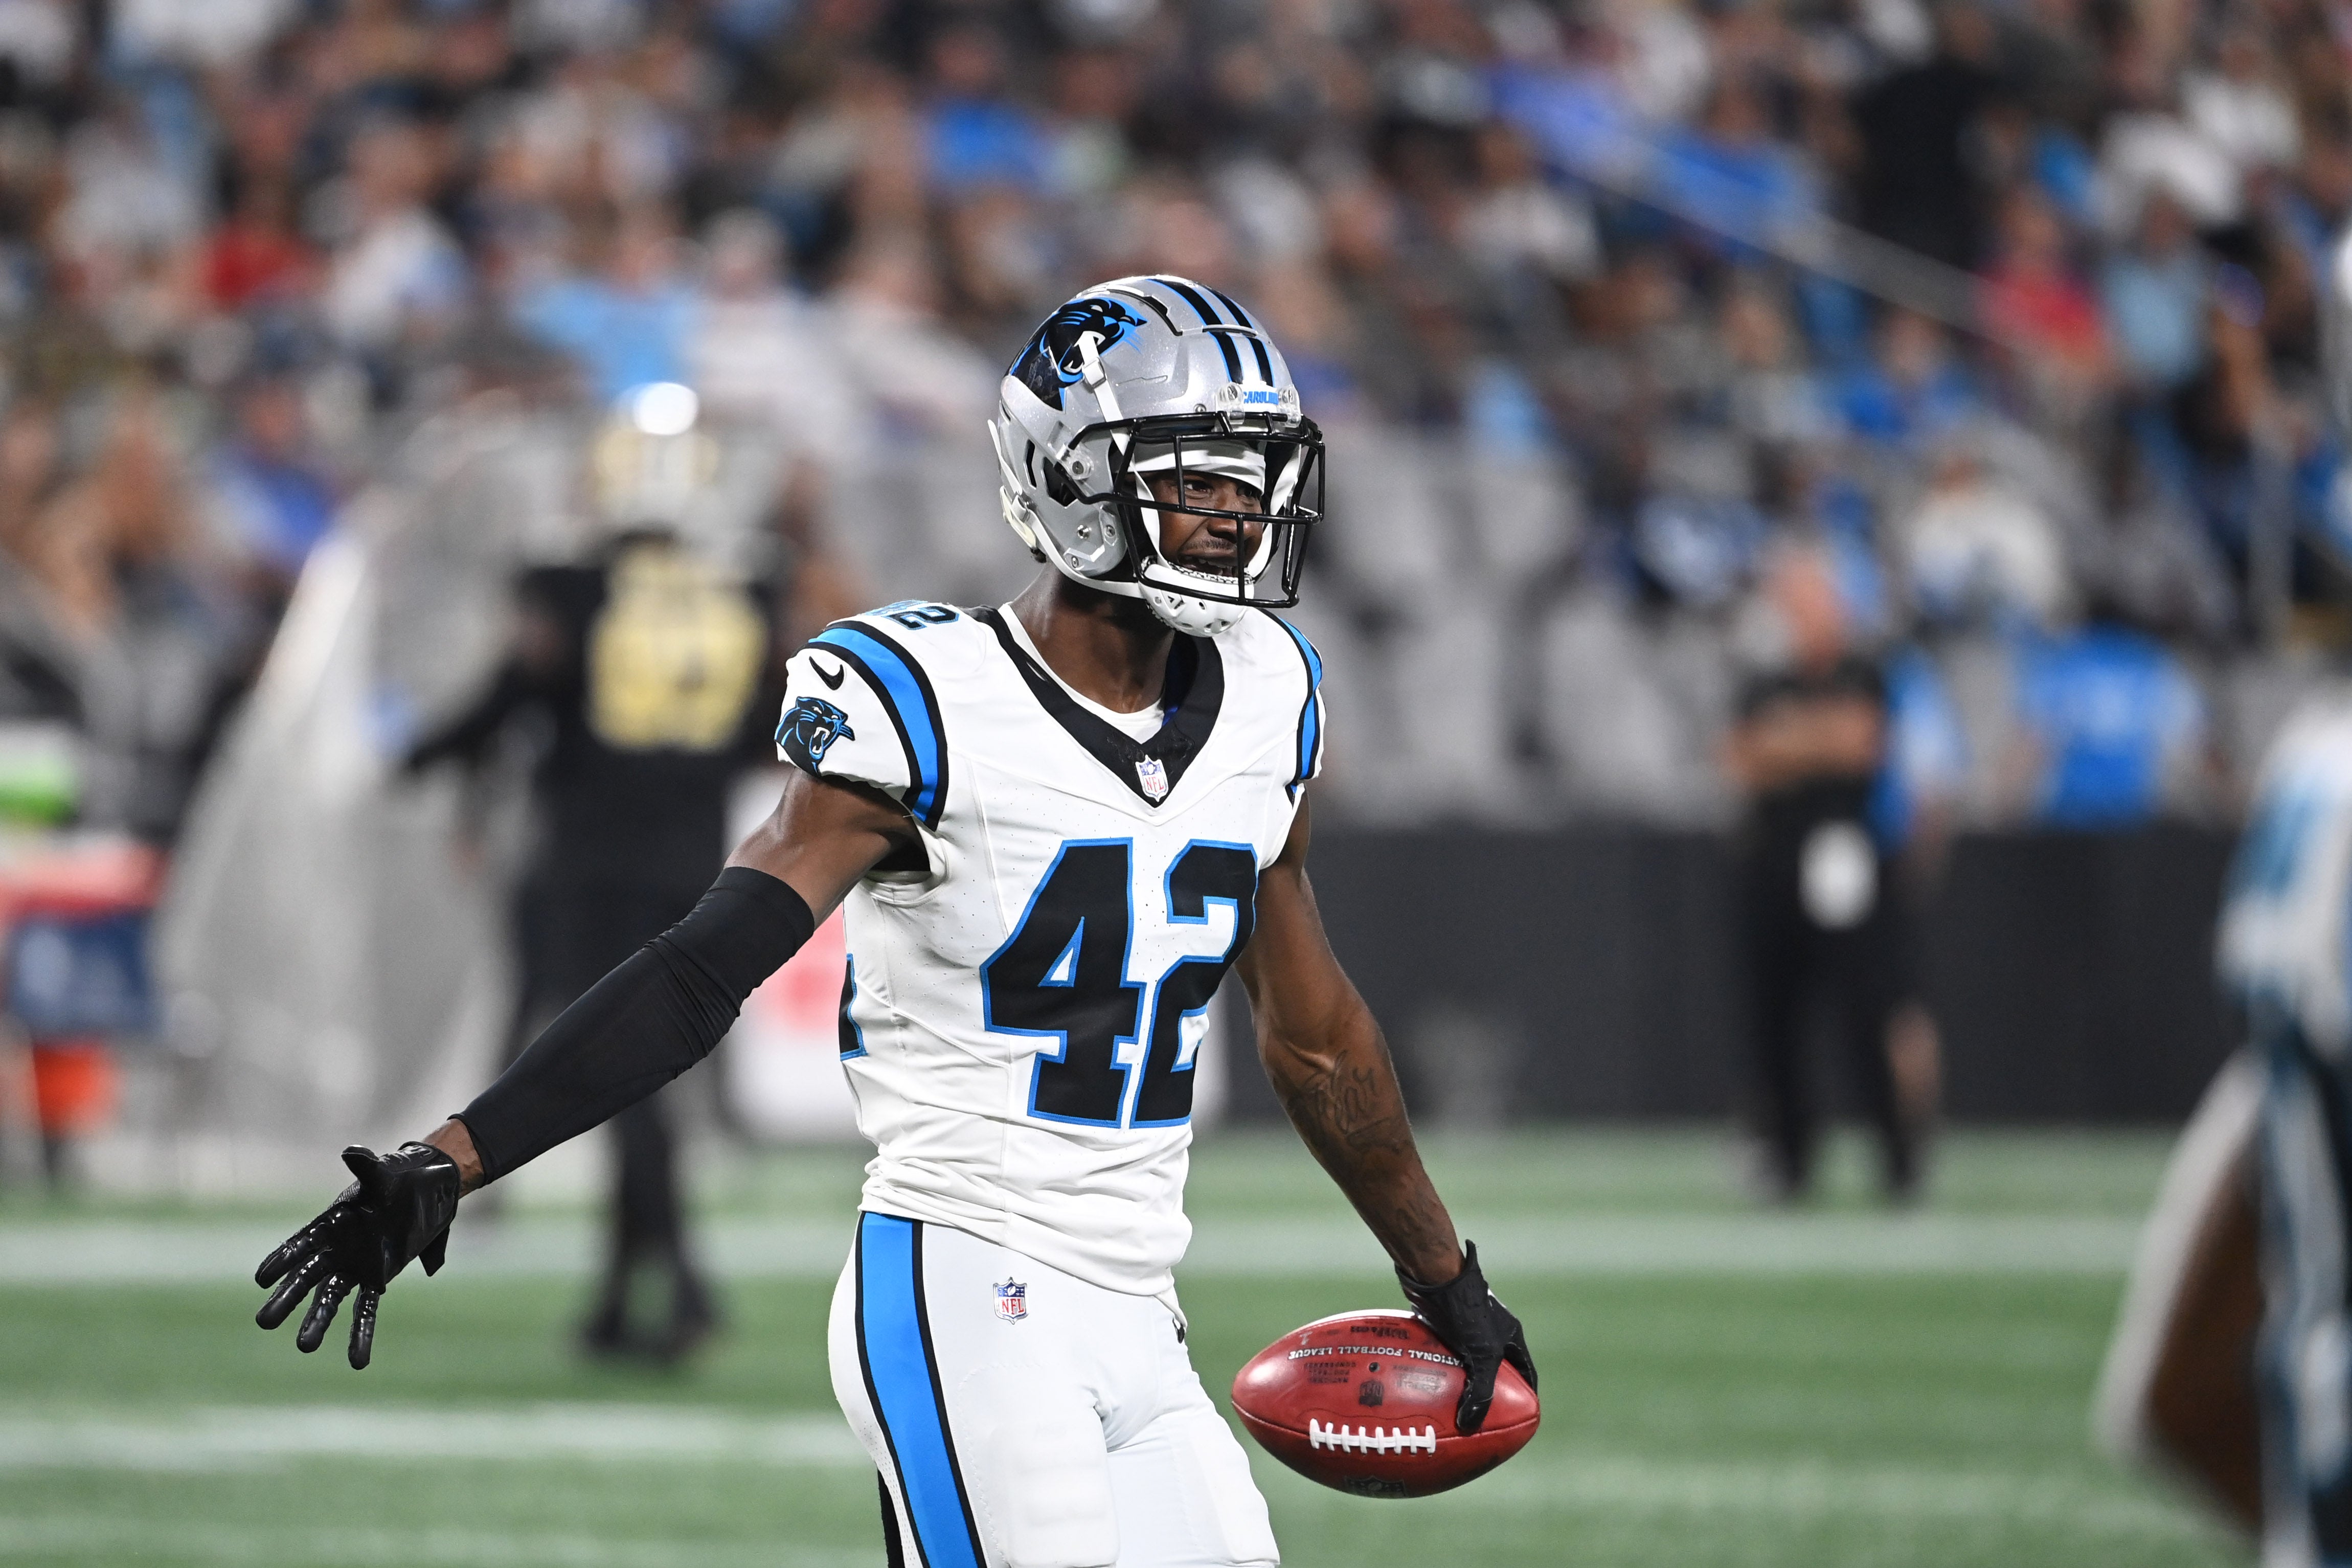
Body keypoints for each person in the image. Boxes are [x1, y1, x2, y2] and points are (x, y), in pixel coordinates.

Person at [252, 275, 1535, 1568]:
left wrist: (1444, 1281)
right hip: (965, 1289)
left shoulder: (1269, 694)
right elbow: (701, 971)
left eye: (1251, 478)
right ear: (1070, 479)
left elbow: (1316, 1040)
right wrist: (453, 1157)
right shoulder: (924, 700)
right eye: (1197, 478)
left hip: (1144, 1311)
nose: (1237, 512)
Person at [401, 390, 783, 1362]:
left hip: (590, 862)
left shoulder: (570, 583)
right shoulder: (747, 584)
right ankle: (628, 1293)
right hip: (699, 858)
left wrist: (417, 754)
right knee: (640, 1084)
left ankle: (677, 1285)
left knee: (621, 1079)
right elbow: (760, 731)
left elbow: (517, 693)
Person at [1723, 544, 1926, 1203]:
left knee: (1867, 1010)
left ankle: (1897, 1155)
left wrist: (1789, 740)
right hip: (1773, 862)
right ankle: (1789, 1159)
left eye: (1808, 598)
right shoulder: (1762, 676)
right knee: (1775, 1017)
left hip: (1846, 863)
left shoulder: (1863, 668)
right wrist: (1813, 741)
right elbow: (1741, 758)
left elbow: (1862, 743)